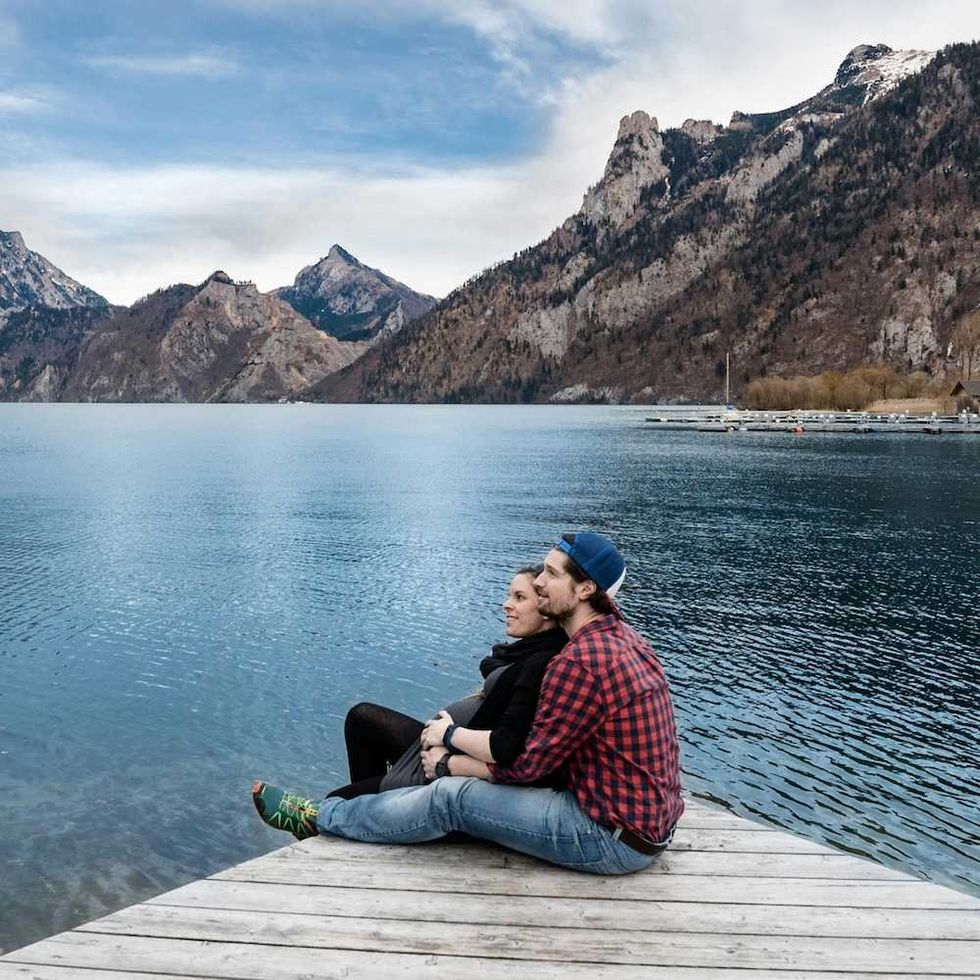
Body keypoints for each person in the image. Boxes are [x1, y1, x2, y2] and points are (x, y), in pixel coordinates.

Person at [253, 531, 683, 876]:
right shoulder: (621, 637)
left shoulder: (581, 662)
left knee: (451, 799)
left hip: (606, 837)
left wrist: (447, 761)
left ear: (586, 587)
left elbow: (525, 765)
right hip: (641, 824)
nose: (538, 582)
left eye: (551, 574)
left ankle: (319, 818)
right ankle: (350, 820)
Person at [326, 565, 567, 800]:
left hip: (451, 760)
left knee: (336, 800)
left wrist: (448, 741)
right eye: (509, 595)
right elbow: (496, 674)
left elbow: (507, 744)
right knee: (362, 718)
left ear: (546, 607)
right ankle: (374, 808)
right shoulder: (523, 653)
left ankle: (374, 806)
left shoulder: (540, 663)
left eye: (519, 597)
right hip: (447, 745)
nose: (506, 605)